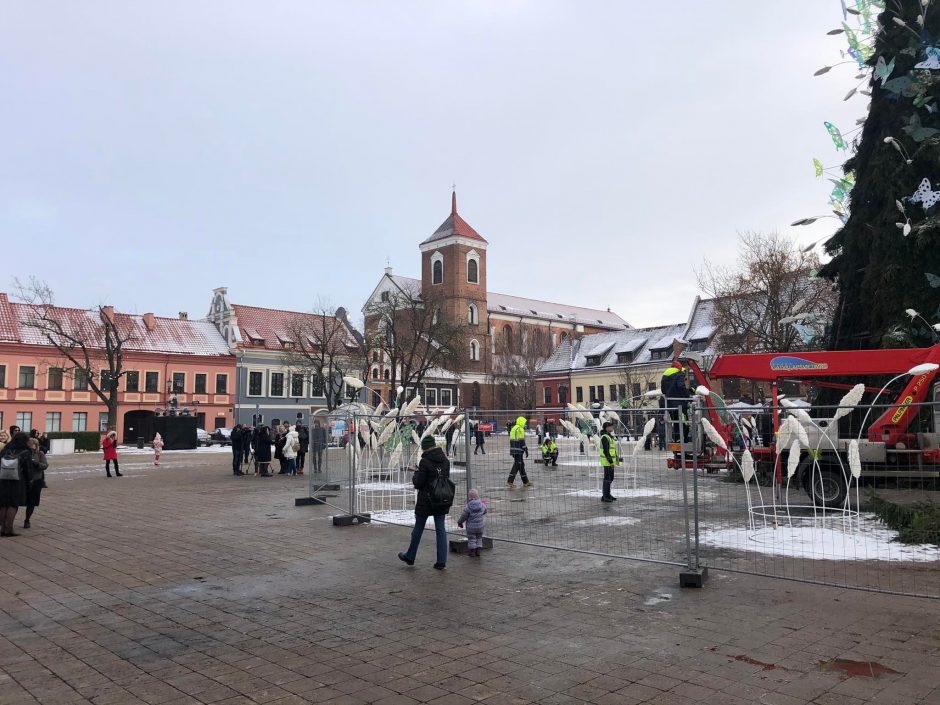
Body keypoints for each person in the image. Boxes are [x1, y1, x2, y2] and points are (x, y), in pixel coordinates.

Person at [398, 435, 451, 569]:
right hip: (441, 498)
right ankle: (441, 561)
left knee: (419, 527)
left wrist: (415, 475)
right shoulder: (445, 460)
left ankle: (410, 556)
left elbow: (419, 483)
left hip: (426, 500)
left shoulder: (425, 461)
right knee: (440, 529)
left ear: (425, 448)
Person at [0, 432, 30, 536]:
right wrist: (29, 480)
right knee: (13, 504)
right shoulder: (26, 451)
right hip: (17, 481)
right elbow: (28, 469)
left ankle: (2, 528)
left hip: (3, 479)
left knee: (3, 504)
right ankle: (9, 529)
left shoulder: (6, 449)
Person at [661, 360, 691, 443]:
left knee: (676, 422)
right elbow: (681, 387)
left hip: (670, 405)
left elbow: (663, 390)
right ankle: (684, 440)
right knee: (684, 422)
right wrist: (688, 397)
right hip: (680, 405)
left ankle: (677, 438)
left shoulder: (665, 376)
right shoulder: (679, 375)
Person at [24, 436, 47, 529]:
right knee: (17, 502)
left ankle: (27, 520)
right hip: (24, 480)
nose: (31, 447)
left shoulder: (40, 453)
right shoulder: (24, 454)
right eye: (29, 445)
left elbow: (45, 465)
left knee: (32, 502)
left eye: (33, 445)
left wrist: (37, 464)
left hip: (36, 480)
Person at [457, 488, 487, 558]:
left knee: (472, 539)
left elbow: (463, 516)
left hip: (471, 527)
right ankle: (478, 550)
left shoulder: (468, 506)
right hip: (480, 526)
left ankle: (472, 552)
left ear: (469, 497)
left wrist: (459, 522)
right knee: (479, 538)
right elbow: (485, 511)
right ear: (478, 496)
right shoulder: (482, 505)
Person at [507, 416, 533, 489]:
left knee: (521, 464)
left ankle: (525, 482)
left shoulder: (514, 428)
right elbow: (521, 440)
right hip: (518, 449)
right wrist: (526, 449)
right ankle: (510, 481)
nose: (525, 424)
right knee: (517, 464)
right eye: (524, 422)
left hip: (513, 449)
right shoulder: (520, 429)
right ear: (521, 422)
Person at [599, 421, 621, 503]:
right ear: (607, 428)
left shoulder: (609, 436)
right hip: (607, 462)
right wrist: (611, 461)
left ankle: (607, 494)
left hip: (610, 461)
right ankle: (605, 496)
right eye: (611, 427)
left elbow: (612, 450)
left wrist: (616, 460)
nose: (612, 428)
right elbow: (606, 451)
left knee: (610, 478)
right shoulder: (605, 437)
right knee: (607, 479)